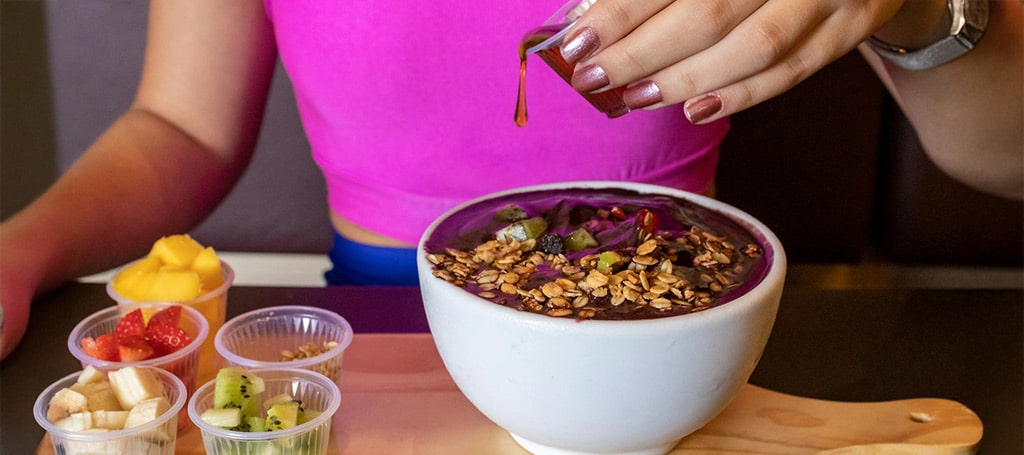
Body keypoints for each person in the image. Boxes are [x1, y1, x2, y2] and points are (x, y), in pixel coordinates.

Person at [1, 0, 1020, 360]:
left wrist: (918, 7)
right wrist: (19, 249)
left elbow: (1005, 157)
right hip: (375, 353)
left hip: (670, 353)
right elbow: (181, 124)